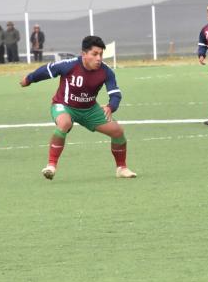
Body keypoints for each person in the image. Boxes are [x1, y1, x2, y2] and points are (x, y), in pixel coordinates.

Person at [19, 35, 137, 180]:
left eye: (100, 54)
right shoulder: (69, 65)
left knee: (118, 132)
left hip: (90, 110)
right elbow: (46, 70)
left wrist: (111, 107)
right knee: (65, 123)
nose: (99, 58)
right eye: (94, 54)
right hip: (64, 105)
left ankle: (122, 168)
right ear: (84, 54)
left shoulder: (106, 71)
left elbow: (115, 94)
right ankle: (51, 166)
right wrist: (29, 79)